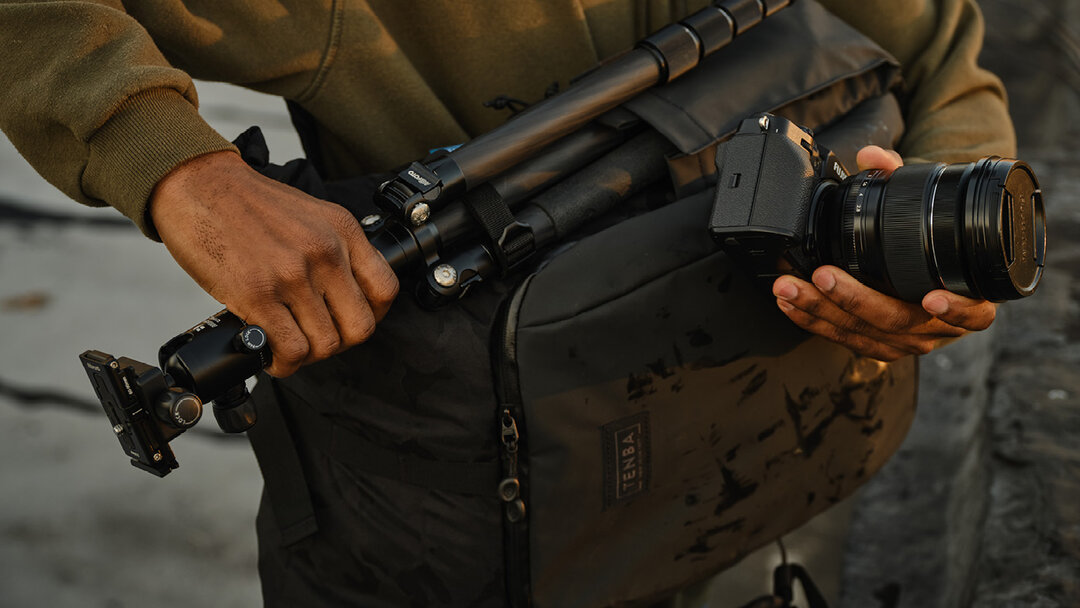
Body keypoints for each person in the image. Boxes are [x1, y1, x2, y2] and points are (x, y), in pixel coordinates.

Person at [0, 0, 1014, 604]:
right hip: (448, 523)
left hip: (748, 472)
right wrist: (180, 170)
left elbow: (936, 54)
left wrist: (940, 252)